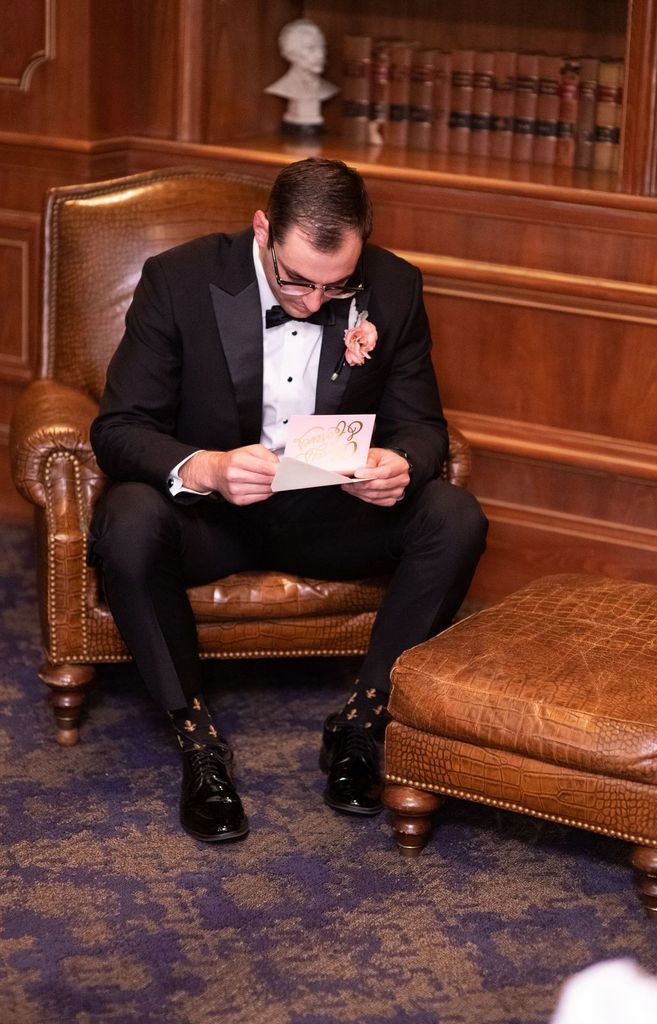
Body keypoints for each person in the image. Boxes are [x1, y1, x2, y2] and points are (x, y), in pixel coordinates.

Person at [89, 157, 488, 843]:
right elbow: (119, 429)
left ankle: (363, 722)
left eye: (337, 286)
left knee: (455, 518)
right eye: (296, 279)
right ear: (263, 229)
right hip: (210, 520)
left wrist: (402, 462)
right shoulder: (180, 279)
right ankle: (196, 739)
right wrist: (206, 467)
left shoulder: (394, 285)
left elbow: (423, 426)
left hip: (328, 514)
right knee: (125, 520)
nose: (313, 301)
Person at [265, 19, 338, 134]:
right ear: (290, 54)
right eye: (310, 48)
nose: (320, 55)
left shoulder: (329, 89)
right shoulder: (282, 87)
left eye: (322, 47)